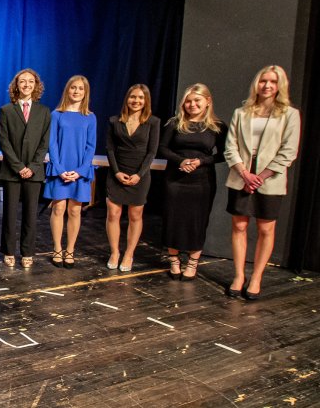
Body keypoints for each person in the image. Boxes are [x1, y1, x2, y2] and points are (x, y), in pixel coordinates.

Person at [225, 66, 301, 300]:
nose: (267, 85)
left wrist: (261, 177)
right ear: (256, 84)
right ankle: (239, 275)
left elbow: (289, 151)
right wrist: (245, 174)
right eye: (263, 81)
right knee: (239, 226)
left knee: (265, 229)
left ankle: (256, 277)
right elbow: (231, 147)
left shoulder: (289, 114)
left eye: (272, 82)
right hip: (241, 178)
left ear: (280, 86)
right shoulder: (241, 112)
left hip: (270, 181)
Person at [159, 83, 227, 281]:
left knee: (198, 221)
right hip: (175, 178)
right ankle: (174, 260)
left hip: (202, 180)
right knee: (173, 218)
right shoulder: (174, 123)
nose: (192, 104)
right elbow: (162, 148)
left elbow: (223, 155)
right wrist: (181, 161)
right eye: (188, 101)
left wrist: (200, 161)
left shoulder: (217, 126)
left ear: (207, 101)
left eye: (196, 100)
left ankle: (192, 262)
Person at [0, 68, 51, 268]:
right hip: (12, 171)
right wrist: (19, 166)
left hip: (34, 172)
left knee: (30, 215)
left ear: (36, 85)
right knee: (10, 214)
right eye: (22, 81)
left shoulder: (44, 112)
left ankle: (27, 252)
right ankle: (9, 251)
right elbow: (4, 142)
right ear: (16, 85)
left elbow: (44, 143)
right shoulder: (6, 110)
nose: (26, 85)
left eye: (30, 81)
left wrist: (33, 166)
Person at [105, 84, 160, 272]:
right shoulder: (114, 121)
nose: (136, 101)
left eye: (140, 98)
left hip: (140, 175)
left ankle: (129, 253)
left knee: (135, 215)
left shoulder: (153, 122)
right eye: (132, 97)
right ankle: (114, 252)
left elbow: (152, 152)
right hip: (117, 172)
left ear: (146, 101)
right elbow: (110, 149)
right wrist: (117, 172)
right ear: (127, 99)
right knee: (113, 213)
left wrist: (139, 174)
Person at [44, 75, 97, 269]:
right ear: (67, 90)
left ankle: (70, 250)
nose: (76, 91)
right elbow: (52, 144)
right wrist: (58, 169)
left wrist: (81, 171)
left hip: (79, 171)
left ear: (85, 92)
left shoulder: (90, 117)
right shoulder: (57, 114)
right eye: (73, 88)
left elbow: (91, 147)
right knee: (58, 208)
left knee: (75, 210)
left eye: (80, 88)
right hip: (60, 169)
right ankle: (57, 248)